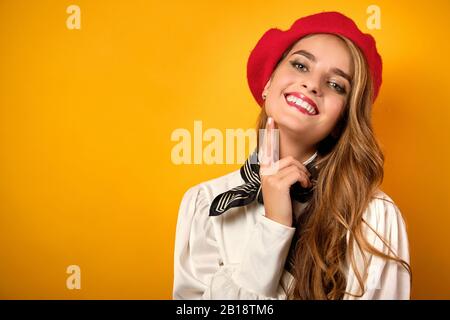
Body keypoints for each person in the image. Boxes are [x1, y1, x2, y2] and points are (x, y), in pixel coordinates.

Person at [172, 11, 411, 300]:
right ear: (269, 83)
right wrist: (275, 225)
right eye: (300, 65)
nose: (312, 85)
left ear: (341, 122)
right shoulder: (205, 204)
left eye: (336, 85)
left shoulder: (374, 217)